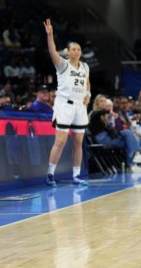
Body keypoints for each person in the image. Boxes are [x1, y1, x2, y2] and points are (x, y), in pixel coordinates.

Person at [43, 19, 91, 187]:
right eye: (73, 49)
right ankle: (50, 174)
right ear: (68, 52)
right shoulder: (63, 65)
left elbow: (87, 82)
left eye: (78, 49)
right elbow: (52, 50)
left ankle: (76, 175)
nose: (76, 51)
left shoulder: (85, 66)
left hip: (80, 106)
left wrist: (89, 94)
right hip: (64, 104)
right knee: (61, 140)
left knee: (78, 141)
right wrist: (50, 35)